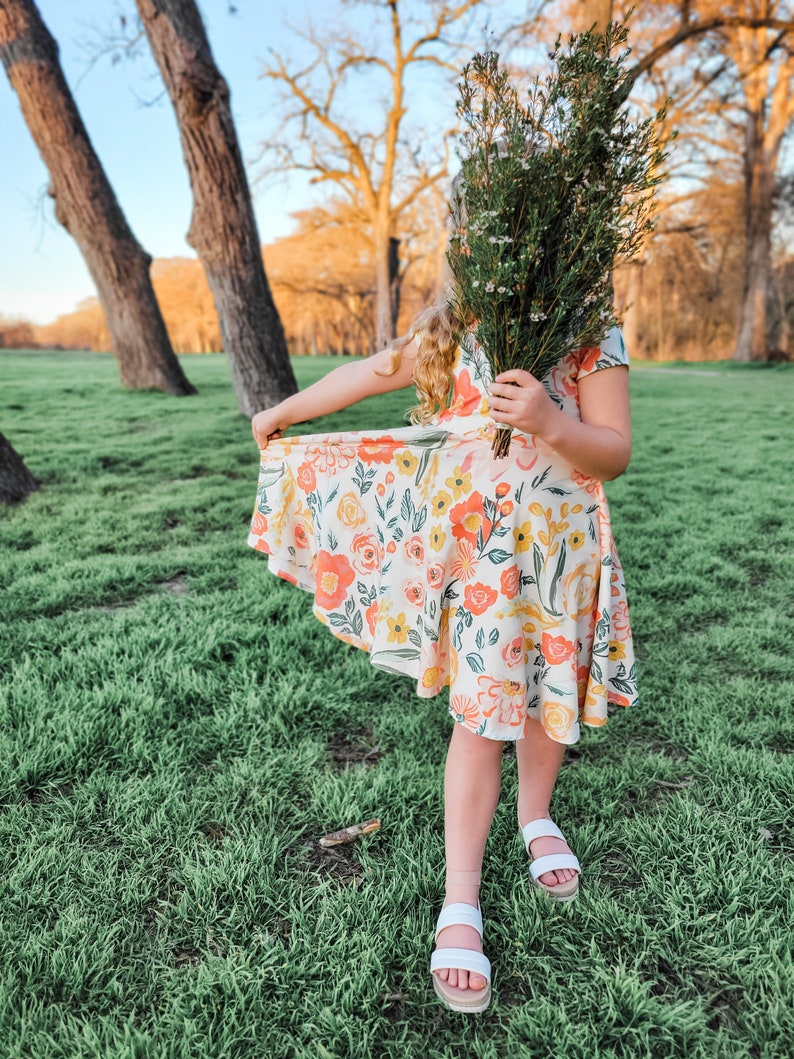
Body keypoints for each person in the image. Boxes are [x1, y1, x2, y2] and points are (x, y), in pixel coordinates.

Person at [248, 301, 637, 1014]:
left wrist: (552, 420)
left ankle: (536, 816)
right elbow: (370, 372)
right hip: (479, 554)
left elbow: (613, 448)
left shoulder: (586, 322)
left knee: (548, 696)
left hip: (558, 545)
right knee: (484, 714)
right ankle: (462, 894)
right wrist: (284, 409)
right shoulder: (453, 324)